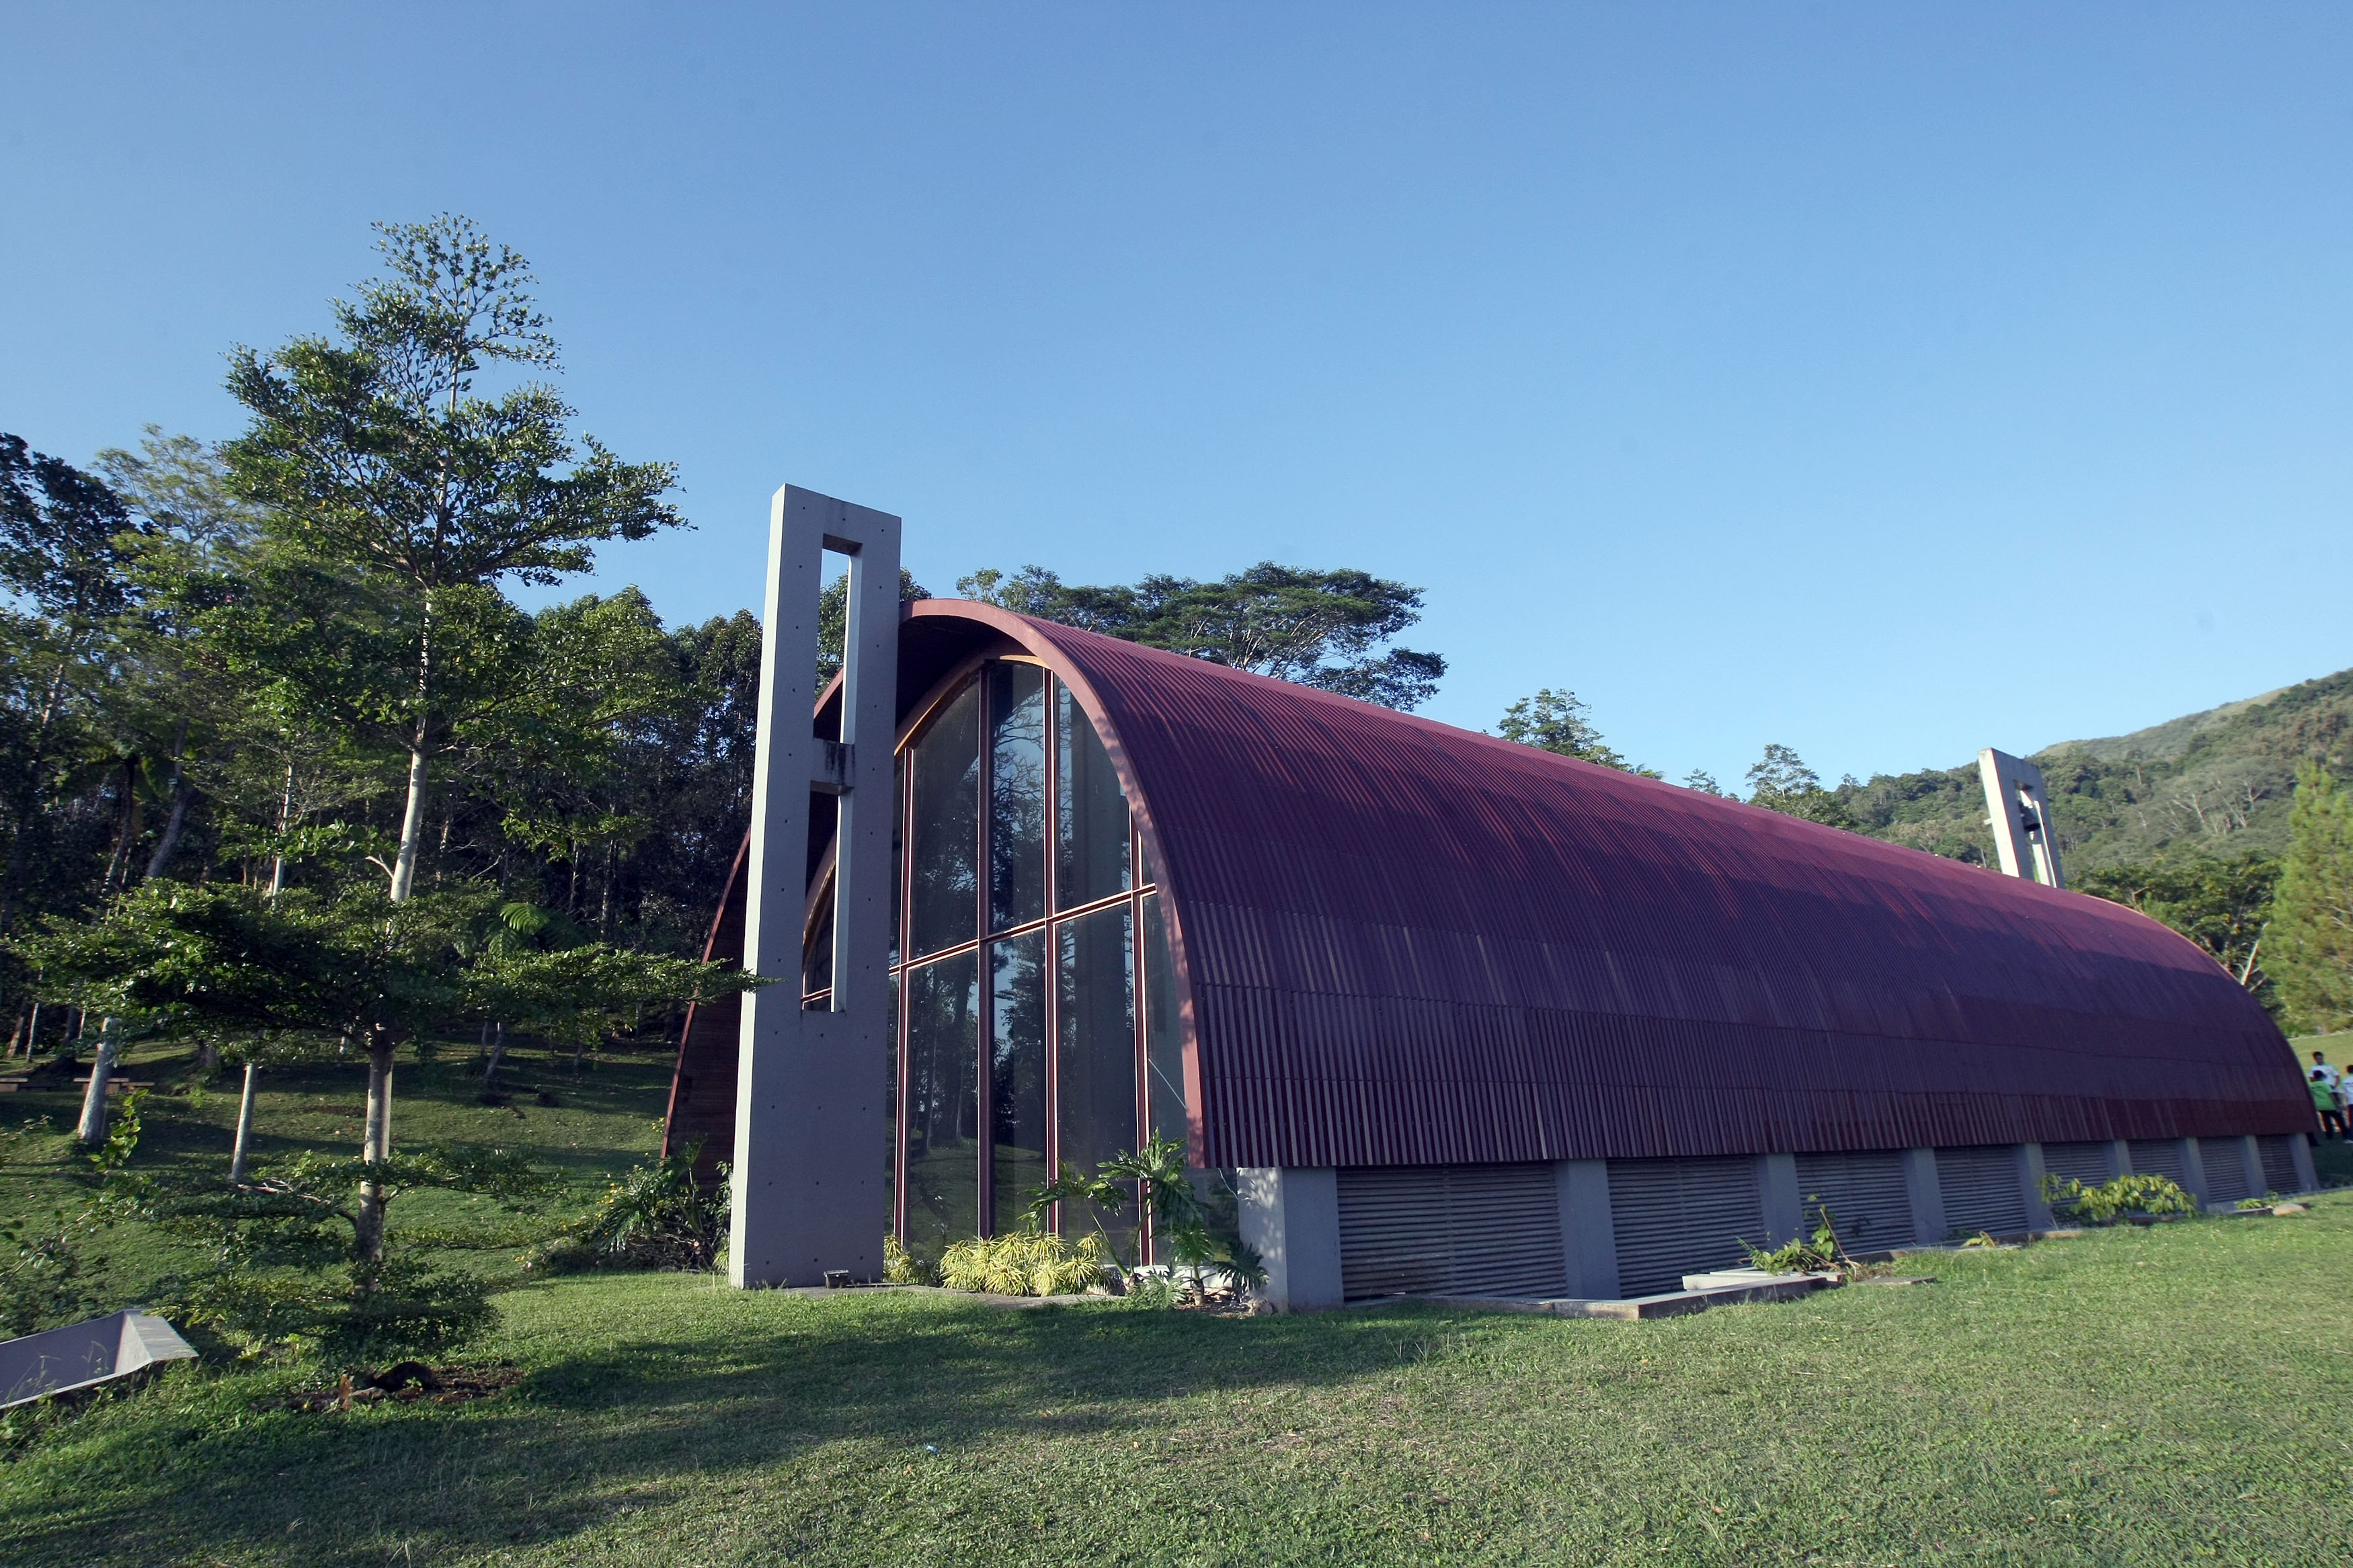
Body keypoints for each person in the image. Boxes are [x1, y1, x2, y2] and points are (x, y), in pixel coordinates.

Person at [2309, 1067, 2345, 1141]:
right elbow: (2331, 1095)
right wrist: (2338, 1105)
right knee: (2339, 1119)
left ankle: (2329, 1136)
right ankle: (2345, 1133)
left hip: (2320, 1106)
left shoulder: (2312, 1086)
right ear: (2322, 1076)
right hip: (2330, 1105)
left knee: (2326, 1121)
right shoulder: (2325, 1084)